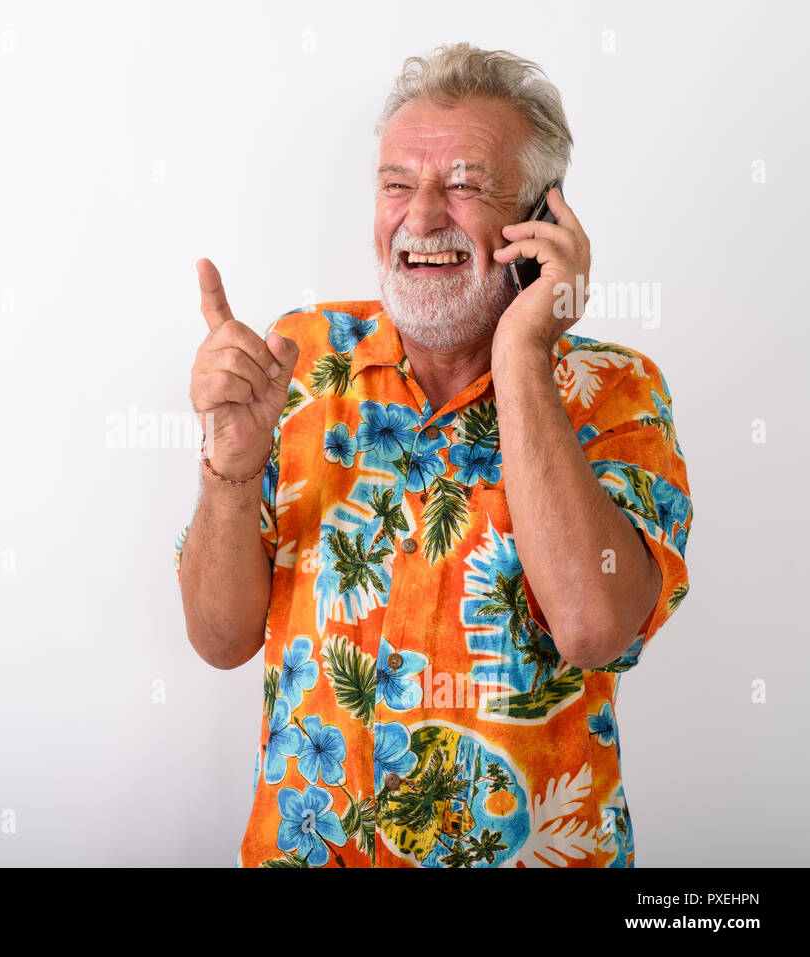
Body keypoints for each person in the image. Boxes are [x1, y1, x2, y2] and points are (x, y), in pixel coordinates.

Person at [173, 42, 692, 868]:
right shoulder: (299, 358)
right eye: (396, 184)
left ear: (543, 221)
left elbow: (595, 627)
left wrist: (523, 351)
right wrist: (230, 473)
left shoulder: (618, 390)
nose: (419, 218)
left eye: (463, 184)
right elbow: (220, 637)